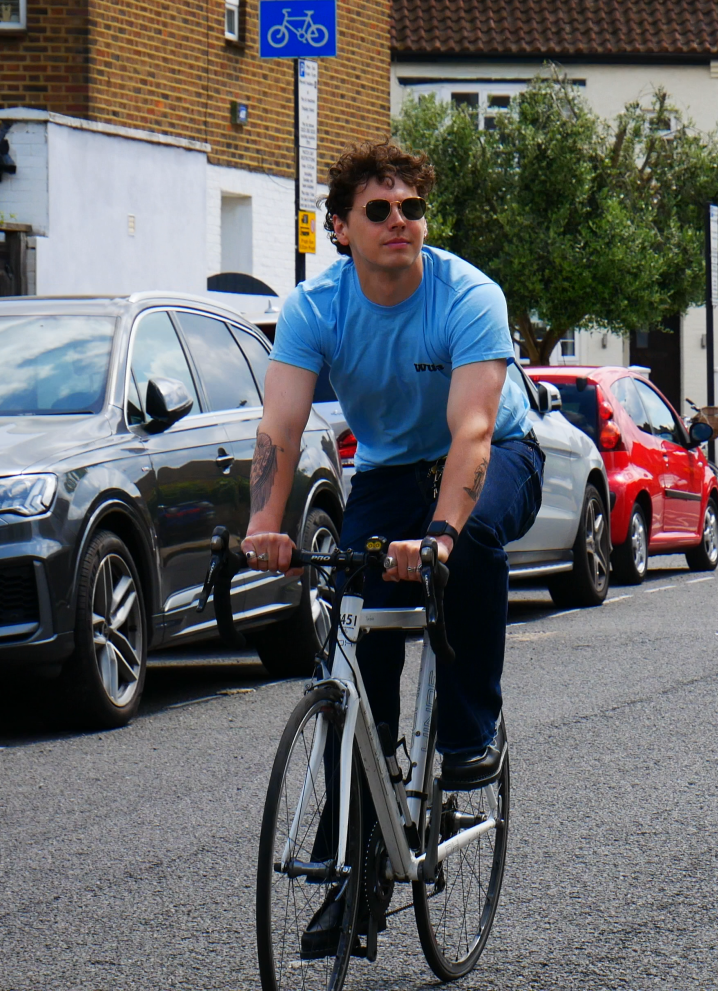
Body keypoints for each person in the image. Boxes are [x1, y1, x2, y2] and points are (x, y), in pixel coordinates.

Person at [241, 139, 543, 941]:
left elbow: (474, 431)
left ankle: (470, 729)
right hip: (386, 473)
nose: (400, 221)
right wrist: (263, 526)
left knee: (470, 546)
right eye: (379, 210)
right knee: (355, 652)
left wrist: (440, 536)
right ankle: (356, 870)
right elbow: (280, 426)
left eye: (412, 207)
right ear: (340, 227)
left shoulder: (467, 295)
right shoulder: (317, 306)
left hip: (492, 456)